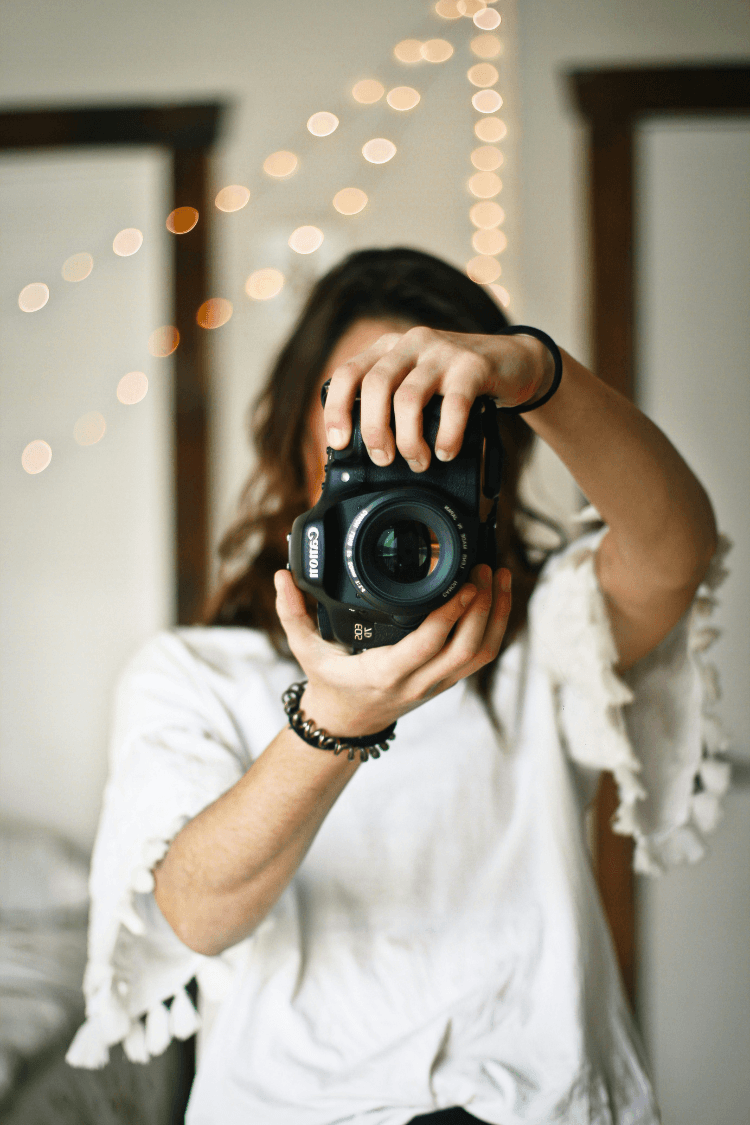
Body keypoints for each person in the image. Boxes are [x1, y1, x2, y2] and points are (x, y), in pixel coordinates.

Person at [67, 248, 731, 1125]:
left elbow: (674, 552)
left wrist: (538, 370)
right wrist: (333, 721)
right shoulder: (199, 670)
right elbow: (192, 913)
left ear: (486, 447)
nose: (395, 436)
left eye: (426, 406)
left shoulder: (536, 635)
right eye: (359, 405)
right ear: (297, 437)